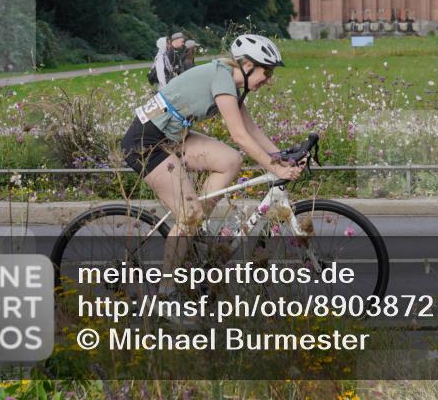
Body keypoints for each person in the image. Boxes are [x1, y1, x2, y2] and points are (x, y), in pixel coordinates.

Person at [122, 34, 303, 296]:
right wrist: (274, 168)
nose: (269, 80)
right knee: (189, 215)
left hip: (172, 138)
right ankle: (166, 293)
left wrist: (282, 157)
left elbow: (251, 129)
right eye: (267, 72)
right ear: (248, 65)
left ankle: (197, 235)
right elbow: (239, 135)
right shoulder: (222, 78)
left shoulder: (230, 84)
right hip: (145, 143)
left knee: (230, 160)